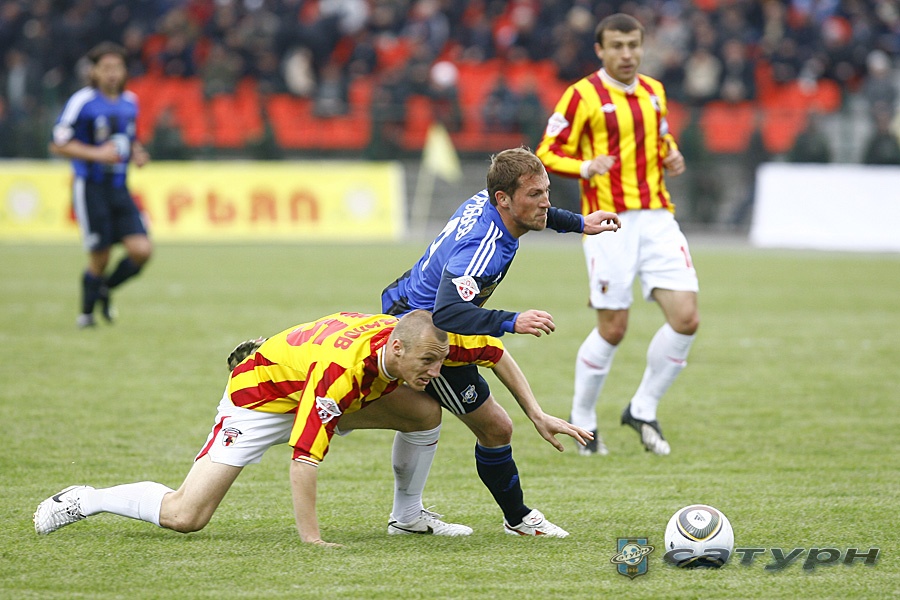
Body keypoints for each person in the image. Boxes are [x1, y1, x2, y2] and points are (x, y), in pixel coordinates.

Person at [34, 310, 556, 545]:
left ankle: (407, 517)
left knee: (424, 411)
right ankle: (87, 499)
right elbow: (304, 460)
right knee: (186, 515)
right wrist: (312, 540)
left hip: (312, 379)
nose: (437, 371)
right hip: (260, 400)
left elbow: (493, 353)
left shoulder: (424, 340)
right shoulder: (341, 374)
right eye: (428, 362)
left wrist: (535, 413)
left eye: (440, 360)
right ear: (396, 348)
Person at [381, 147, 620, 537]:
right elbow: (447, 313)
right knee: (494, 427)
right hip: (423, 332)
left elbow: (537, 214)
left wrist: (579, 222)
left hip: (409, 304)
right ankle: (516, 519)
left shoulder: (492, 200)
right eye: (535, 194)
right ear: (503, 199)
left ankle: (409, 515)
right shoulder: (484, 247)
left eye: (546, 191)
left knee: (422, 416)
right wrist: (511, 320)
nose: (545, 202)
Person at [535, 13, 698, 457]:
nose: (627, 54)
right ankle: (584, 421)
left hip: (658, 217)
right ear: (600, 50)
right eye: (617, 46)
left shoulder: (654, 91)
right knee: (614, 328)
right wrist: (586, 166)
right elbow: (547, 152)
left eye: (633, 45)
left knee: (686, 318)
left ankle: (642, 408)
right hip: (609, 221)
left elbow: (661, 138)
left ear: (642, 47)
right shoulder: (581, 95)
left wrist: (672, 155)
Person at [50, 42, 152, 328]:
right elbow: (58, 144)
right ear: (93, 71)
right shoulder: (82, 102)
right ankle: (86, 315)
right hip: (90, 187)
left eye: (117, 67)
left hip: (119, 187)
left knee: (141, 250)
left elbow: (129, 139)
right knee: (100, 256)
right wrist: (96, 154)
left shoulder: (130, 101)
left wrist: (137, 153)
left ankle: (105, 289)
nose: (112, 73)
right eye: (106, 68)